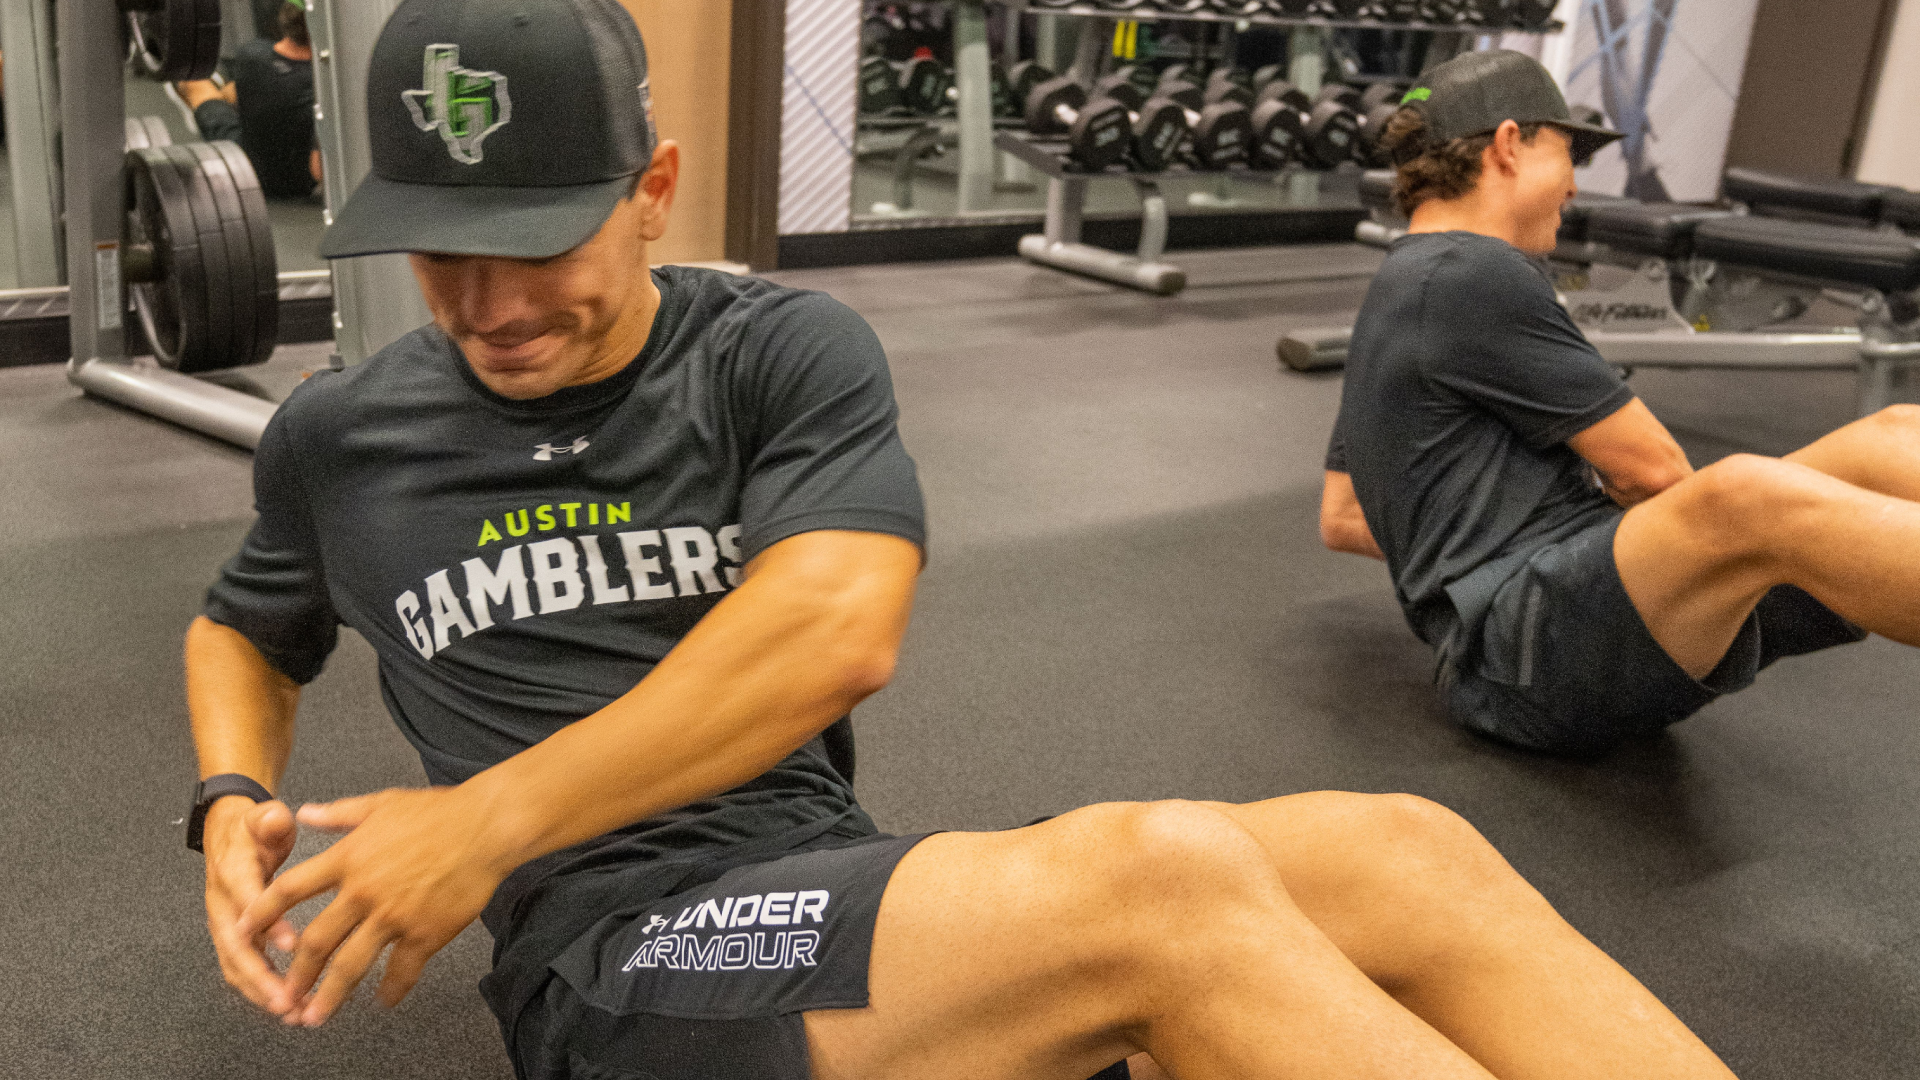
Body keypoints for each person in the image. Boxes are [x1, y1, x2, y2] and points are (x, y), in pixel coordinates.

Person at [189, 5, 1744, 1079]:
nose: (489, 304)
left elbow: (835, 626)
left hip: (814, 881)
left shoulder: (772, 352)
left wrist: (477, 820)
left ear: (653, 192)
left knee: (1411, 851)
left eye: (536, 245)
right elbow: (245, 625)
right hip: (613, 957)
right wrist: (231, 795)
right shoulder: (341, 436)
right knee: (1163, 885)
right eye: (442, 253)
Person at [1320, 49, 1919, 757]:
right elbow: (1653, 473)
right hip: (1527, 648)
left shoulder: (1403, 285)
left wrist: (1452, 552)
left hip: (1546, 621)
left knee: (1890, 434)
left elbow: (1345, 514)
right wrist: (1715, 556)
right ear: (1511, 144)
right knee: (1745, 496)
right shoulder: (1472, 270)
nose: (1575, 186)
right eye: (1570, 154)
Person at [173, 0, 319, 199]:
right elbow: (318, 170)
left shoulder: (251, 55)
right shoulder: (319, 85)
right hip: (294, 182)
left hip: (244, 161)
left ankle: (219, 96)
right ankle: (226, 95)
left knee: (195, 86)